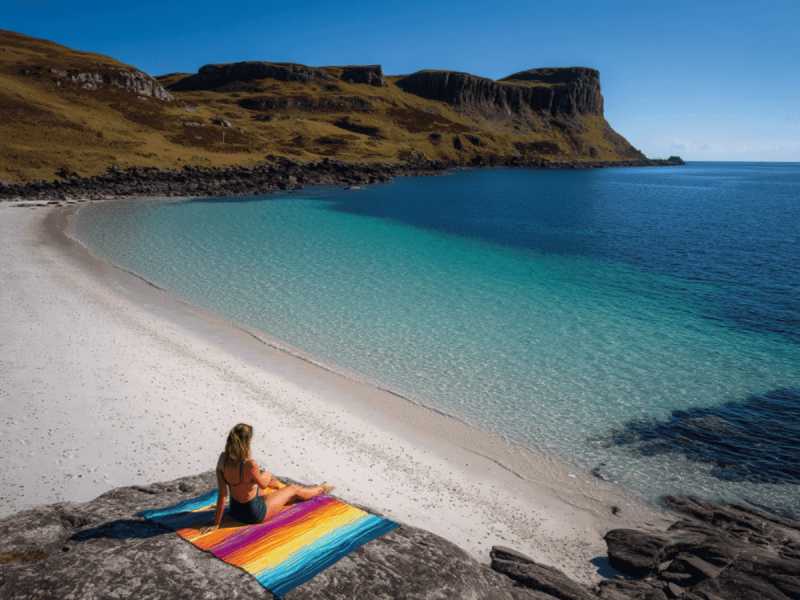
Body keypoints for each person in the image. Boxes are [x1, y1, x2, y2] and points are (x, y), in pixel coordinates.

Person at [201, 423, 334, 534]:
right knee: (292, 489)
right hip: (254, 515)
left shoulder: (223, 459)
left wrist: (216, 523)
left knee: (264, 483)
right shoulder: (250, 464)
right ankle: (322, 488)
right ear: (247, 441)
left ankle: (279, 489)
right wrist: (268, 474)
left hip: (235, 512)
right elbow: (263, 485)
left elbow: (223, 494)